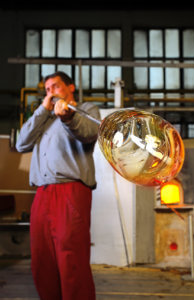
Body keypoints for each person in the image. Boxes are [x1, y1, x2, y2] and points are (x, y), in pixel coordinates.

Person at [16, 71, 101, 300]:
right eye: (47, 89)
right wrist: (43, 110)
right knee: (42, 261)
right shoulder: (44, 119)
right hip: (42, 194)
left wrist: (68, 117)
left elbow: (89, 133)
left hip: (70, 191)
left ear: (70, 87)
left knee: (70, 259)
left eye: (55, 86)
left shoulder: (86, 110)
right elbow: (21, 143)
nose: (50, 92)